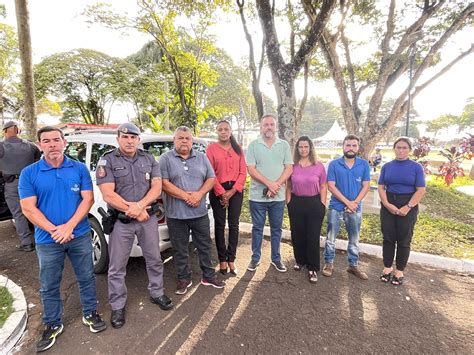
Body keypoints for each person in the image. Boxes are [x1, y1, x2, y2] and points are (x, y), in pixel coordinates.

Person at [18, 126, 106, 353]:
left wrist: (69, 227)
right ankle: (53, 322)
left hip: (79, 235)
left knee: (86, 276)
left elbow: (87, 200)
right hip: (47, 240)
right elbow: (28, 208)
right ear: (39, 145)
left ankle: (90, 312)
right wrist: (55, 230)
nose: (52, 145)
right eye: (46, 141)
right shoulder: (29, 173)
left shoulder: (79, 169)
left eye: (56, 140)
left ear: (64, 142)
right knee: (49, 284)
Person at [96, 123, 173, 329]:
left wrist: (140, 207)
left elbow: (157, 188)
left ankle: (157, 293)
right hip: (122, 221)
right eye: (125, 137)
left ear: (138, 139)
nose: (130, 141)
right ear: (118, 139)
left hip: (147, 219)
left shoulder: (149, 159)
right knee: (117, 266)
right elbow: (108, 194)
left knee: (155, 259)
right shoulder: (107, 160)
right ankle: (118, 305)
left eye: (133, 137)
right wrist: (134, 210)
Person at [160, 126, 225, 295]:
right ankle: (184, 279)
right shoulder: (165, 159)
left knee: (204, 245)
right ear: (174, 140)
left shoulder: (201, 157)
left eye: (187, 138)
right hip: (176, 215)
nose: (184, 141)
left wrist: (199, 194)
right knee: (179, 249)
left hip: (200, 214)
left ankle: (208, 276)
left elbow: (211, 178)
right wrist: (186, 196)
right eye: (180, 138)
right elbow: (164, 183)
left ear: (191, 141)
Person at [246, 114, 293, 273]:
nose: (269, 127)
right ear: (261, 126)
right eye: (266, 125)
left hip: (278, 198)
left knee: (276, 229)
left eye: (272, 125)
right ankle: (255, 258)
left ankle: (276, 259)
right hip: (257, 198)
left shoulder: (284, 145)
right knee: (257, 228)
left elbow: (289, 168)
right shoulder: (253, 145)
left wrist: (276, 185)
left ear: (276, 126)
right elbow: (251, 169)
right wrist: (270, 184)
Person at [378, 137, 426, 286]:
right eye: (398, 147)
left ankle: (399, 271)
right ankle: (387, 268)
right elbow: (381, 186)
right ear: (394, 149)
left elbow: (421, 189)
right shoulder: (387, 166)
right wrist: (386, 203)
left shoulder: (416, 167)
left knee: (404, 239)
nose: (401, 150)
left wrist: (408, 206)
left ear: (409, 150)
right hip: (389, 204)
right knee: (388, 237)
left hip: (408, 203)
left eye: (404, 148)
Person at [322, 134, 370, 280]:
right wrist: (347, 202)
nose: (351, 148)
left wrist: (354, 203)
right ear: (343, 146)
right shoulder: (334, 164)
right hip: (336, 206)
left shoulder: (364, 164)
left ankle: (353, 265)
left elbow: (366, 186)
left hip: (355, 208)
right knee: (331, 237)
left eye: (354, 145)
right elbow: (331, 186)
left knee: (354, 239)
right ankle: (328, 263)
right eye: (348, 145)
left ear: (358, 147)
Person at [206, 120, 246, 275]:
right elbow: (210, 173)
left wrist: (232, 191)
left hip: (236, 191)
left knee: (234, 225)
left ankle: (231, 259)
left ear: (230, 131)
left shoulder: (238, 148)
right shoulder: (211, 149)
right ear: (217, 132)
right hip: (217, 191)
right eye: (220, 129)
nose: (223, 132)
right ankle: (222, 260)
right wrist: (222, 192)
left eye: (226, 129)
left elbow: (243, 172)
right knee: (220, 225)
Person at [286, 136, 327, 283]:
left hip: (314, 202)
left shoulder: (319, 166)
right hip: (296, 202)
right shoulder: (293, 166)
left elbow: (323, 186)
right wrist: (289, 203)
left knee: (312, 235)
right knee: (297, 234)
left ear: (310, 148)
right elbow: (289, 186)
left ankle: (313, 267)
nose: (303, 150)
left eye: (306, 147)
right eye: (300, 147)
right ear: (297, 149)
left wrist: (322, 205)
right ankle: (300, 260)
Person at [0, 120, 41, 251]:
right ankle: (44, 241)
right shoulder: (31, 146)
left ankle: (27, 243)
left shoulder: (1, 146)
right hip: (31, 183)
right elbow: (37, 161)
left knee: (18, 214)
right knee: (37, 210)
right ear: (18, 130)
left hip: (12, 183)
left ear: (5, 131)